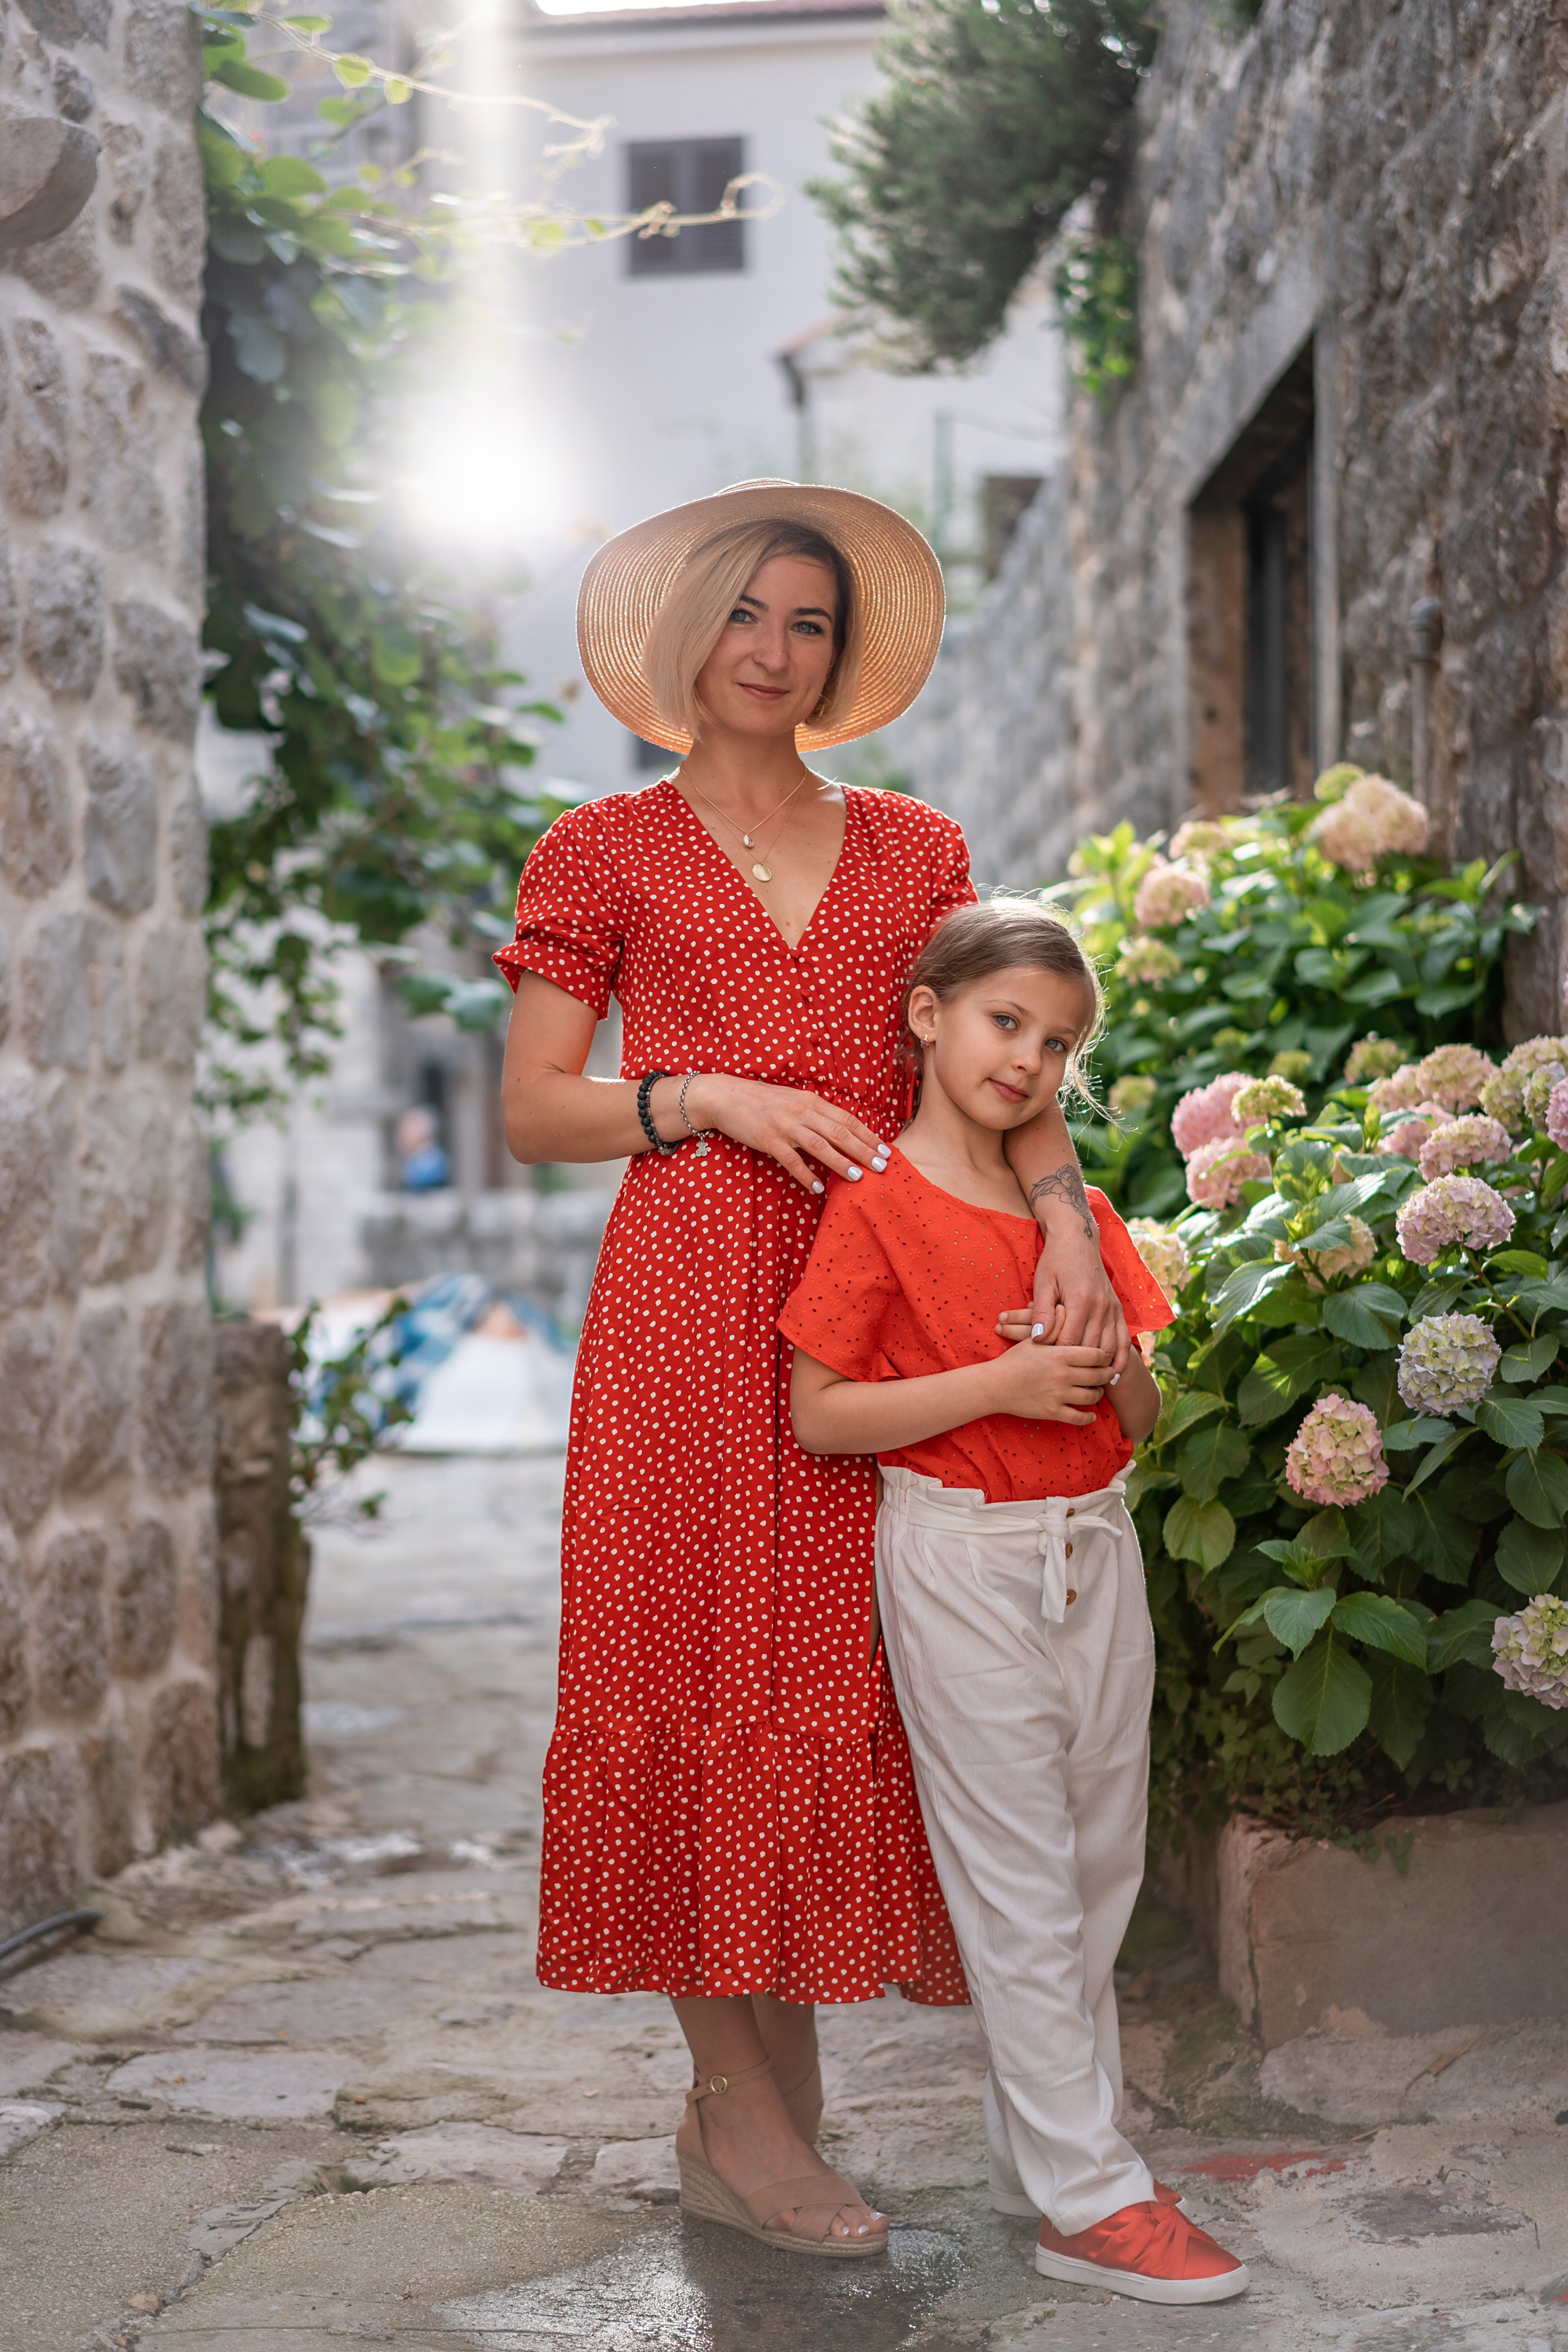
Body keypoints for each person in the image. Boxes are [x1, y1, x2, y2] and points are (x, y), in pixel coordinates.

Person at [496, 478, 1130, 2258]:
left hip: (879, 1296)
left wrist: (1065, 1219)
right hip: (685, 1307)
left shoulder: (921, 849)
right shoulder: (599, 847)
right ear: (686, 633)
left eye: (808, 625)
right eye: (746, 616)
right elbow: (538, 1109)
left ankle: (760, 2104)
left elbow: (1007, 1068)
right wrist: (701, 1095)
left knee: (827, 1674)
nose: (772, 654)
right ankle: (744, 2104)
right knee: (687, 1660)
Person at [782, 898, 1250, 2306]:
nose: (1030, 1061)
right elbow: (820, 1413)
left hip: (1095, 1550)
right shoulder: (877, 1207)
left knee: (1102, 1868)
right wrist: (996, 1384)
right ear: (927, 1013)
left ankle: (1038, 2162)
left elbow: (1147, 1410)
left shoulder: (1079, 1214)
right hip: (963, 1559)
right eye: (1005, 1024)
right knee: (1026, 1889)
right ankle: (1094, 2198)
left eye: (1057, 1045)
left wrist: (1102, 1359)